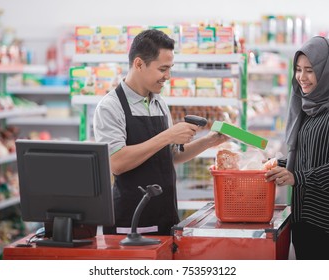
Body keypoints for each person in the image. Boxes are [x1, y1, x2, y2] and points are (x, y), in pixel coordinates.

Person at [93, 29, 228, 236]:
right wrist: (168, 136)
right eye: (163, 69)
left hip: (165, 216)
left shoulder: (159, 103)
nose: (168, 76)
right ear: (139, 64)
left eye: (170, 68)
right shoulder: (110, 107)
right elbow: (117, 163)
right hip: (131, 222)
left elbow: (170, 155)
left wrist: (209, 141)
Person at [265, 36, 329, 259]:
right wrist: (279, 165)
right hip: (304, 217)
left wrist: (297, 178)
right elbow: (308, 158)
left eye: (310, 70)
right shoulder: (310, 106)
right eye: (298, 69)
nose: (301, 78)